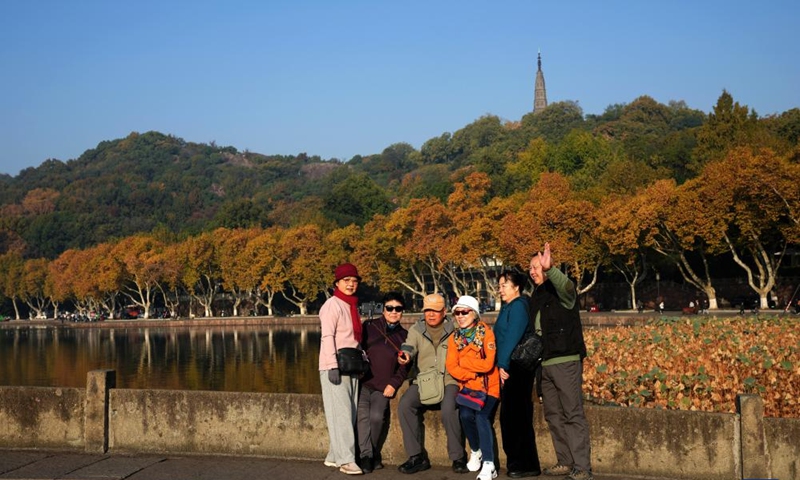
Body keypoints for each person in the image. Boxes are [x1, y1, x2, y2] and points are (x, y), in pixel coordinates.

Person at [529, 243, 593, 480]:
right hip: (543, 363)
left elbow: (566, 287)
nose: (533, 272)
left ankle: (583, 467)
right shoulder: (537, 294)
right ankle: (565, 461)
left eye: (536, 267)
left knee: (572, 413)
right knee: (553, 415)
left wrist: (552, 269)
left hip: (565, 359)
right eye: (531, 269)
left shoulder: (563, 291)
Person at [396, 293, 468, 474]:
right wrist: (405, 355)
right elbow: (409, 345)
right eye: (427, 310)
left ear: (444, 311)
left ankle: (458, 457)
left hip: (450, 379)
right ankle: (416, 457)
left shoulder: (455, 327)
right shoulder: (416, 329)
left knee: (449, 408)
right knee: (405, 404)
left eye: (435, 311)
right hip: (425, 380)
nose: (431, 314)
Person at [446, 295, 501, 480]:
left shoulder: (486, 333)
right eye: (457, 313)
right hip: (468, 387)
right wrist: (470, 374)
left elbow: (488, 365)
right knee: (465, 415)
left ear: (474, 314)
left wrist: (465, 361)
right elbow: (451, 366)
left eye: (464, 312)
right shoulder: (454, 338)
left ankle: (489, 463)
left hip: (488, 387)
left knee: (481, 416)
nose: (460, 316)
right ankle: (476, 450)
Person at [494, 270, 541, 478]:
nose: (500, 289)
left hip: (517, 368)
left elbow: (512, 337)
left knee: (515, 417)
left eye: (504, 285)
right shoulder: (508, 307)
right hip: (509, 366)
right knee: (511, 417)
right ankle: (519, 462)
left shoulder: (519, 306)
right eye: (500, 285)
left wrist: (502, 364)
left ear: (516, 287)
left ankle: (524, 463)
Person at [356, 292, 409, 473]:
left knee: (377, 417)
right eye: (390, 308)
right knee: (362, 419)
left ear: (402, 311)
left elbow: (404, 368)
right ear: (383, 309)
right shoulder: (369, 327)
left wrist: (393, 383)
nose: (394, 312)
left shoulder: (405, 336)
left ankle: (369, 453)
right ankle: (367, 456)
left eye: (398, 309)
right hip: (364, 383)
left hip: (383, 387)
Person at [319, 262, 364, 475]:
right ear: (337, 283)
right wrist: (332, 366)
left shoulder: (351, 305)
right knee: (343, 414)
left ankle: (333, 456)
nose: (351, 284)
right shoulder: (332, 305)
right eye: (346, 280)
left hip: (352, 365)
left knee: (349, 412)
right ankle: (346, 460)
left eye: (354, 281)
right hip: (335, 365)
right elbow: (327, 337)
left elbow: (354, 339)